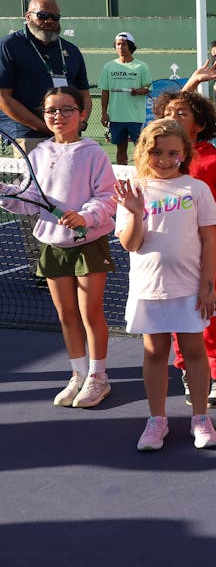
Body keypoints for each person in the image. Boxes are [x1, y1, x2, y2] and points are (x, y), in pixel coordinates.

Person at [0, 87, 117, 408]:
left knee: (90, 312)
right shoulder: (38, 154)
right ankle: (78, 374)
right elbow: (30, 199)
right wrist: (4, 192)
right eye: (51, 110)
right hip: (52, 245)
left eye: (66, 110)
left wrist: (85, 216)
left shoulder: (93, 152)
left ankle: (98, 377)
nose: (58, 116)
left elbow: (108, 197)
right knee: (66, 315)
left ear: (82, 115)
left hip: (89, 244)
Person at [115, 118, 216, 451]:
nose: (163, 159)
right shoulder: (135, 189)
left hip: (189, 289)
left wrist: (208, 285)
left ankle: (201, 419)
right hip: (149, 289)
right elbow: (131, 245)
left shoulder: (196, 189)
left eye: (172, 153)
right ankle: (156, 420)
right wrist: (134, 213)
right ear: (144, 152)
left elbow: (210, 240)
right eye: (156, 152)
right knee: (155, 353)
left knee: (194, 352)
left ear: (185, 154)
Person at [155, 90, 216, 407]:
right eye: (168, 113)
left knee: (211, 314)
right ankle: (189, 370)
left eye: (182, 113)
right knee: (178, 314)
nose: (173, 118)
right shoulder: (158, 161)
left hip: (209, 251)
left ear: (199, 123)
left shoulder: (213, 160)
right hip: (171, 254)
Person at [0, 0, 90, 149]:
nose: (49, 21)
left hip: (68, 135)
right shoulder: (9, 46)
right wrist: (45, 127)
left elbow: (84, 95)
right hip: (29, 135)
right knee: (34, 174)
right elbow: (3, 97)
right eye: (42, 16)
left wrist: (79, 122)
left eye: (54, 17)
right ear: (28, 16)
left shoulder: (71, 50)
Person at [98, 32, 151, 165]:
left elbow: (148, 88)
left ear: (130, 46)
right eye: (118, 44)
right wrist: (104, 113)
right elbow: (105, 91)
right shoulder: (108, 67)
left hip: (136, 117)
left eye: (124, 44)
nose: (120, 47)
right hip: (116, 117)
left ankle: (142, 175)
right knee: (121, 149)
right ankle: (123, 177)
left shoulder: (142, 66)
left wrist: (138, 91)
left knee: (141, 149)